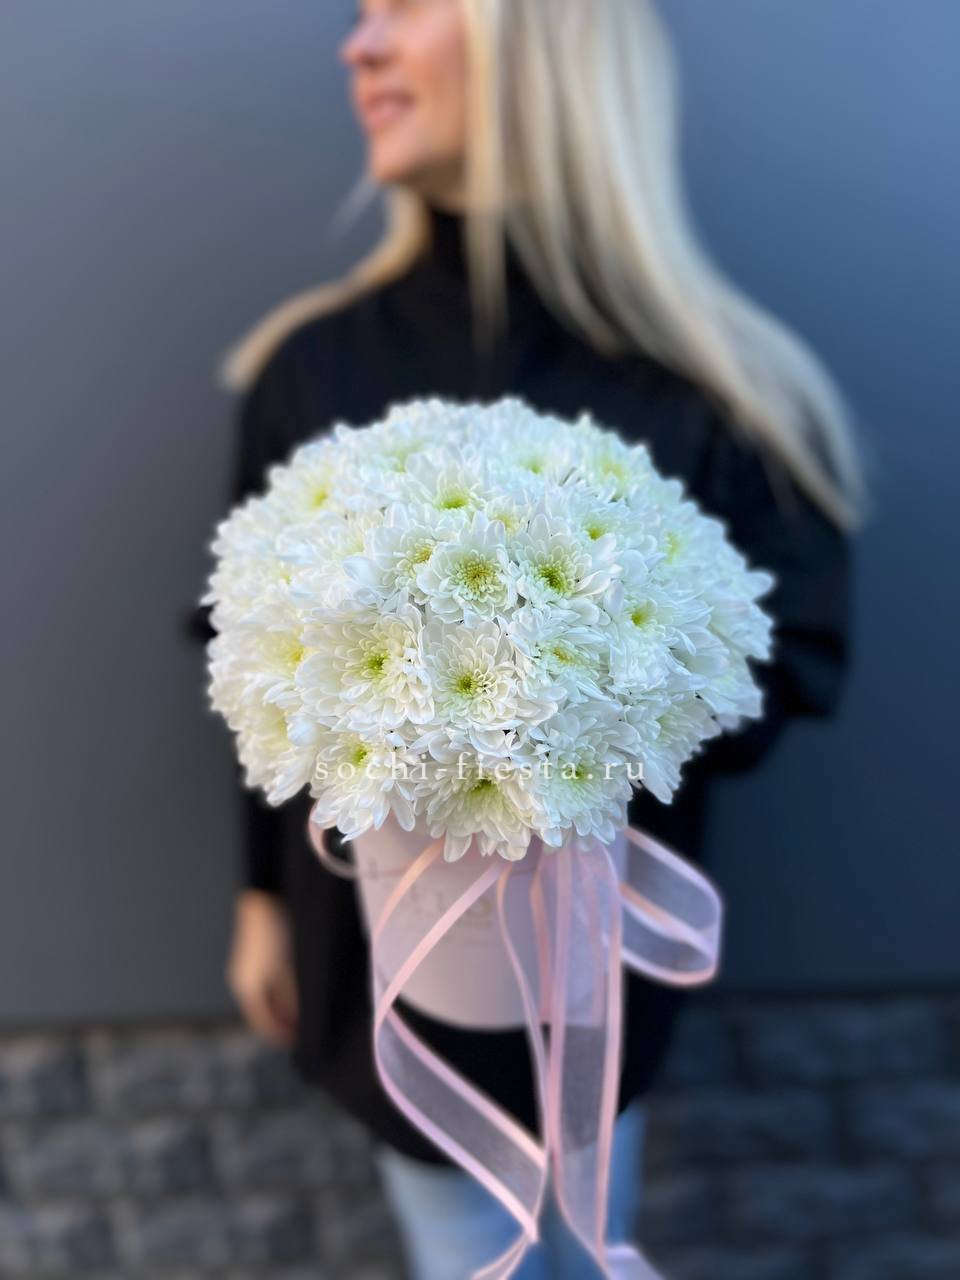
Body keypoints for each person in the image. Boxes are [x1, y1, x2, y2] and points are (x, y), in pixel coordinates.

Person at [190, 2, 869, 1275]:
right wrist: (261, 895)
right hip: (379, 972)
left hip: (599, 981)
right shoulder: (309, 367)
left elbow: (789, 658)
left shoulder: (711, 385)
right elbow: (242, 656)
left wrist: (584, 690)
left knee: (592, 1232)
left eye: (406, 6)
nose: (359, 45)